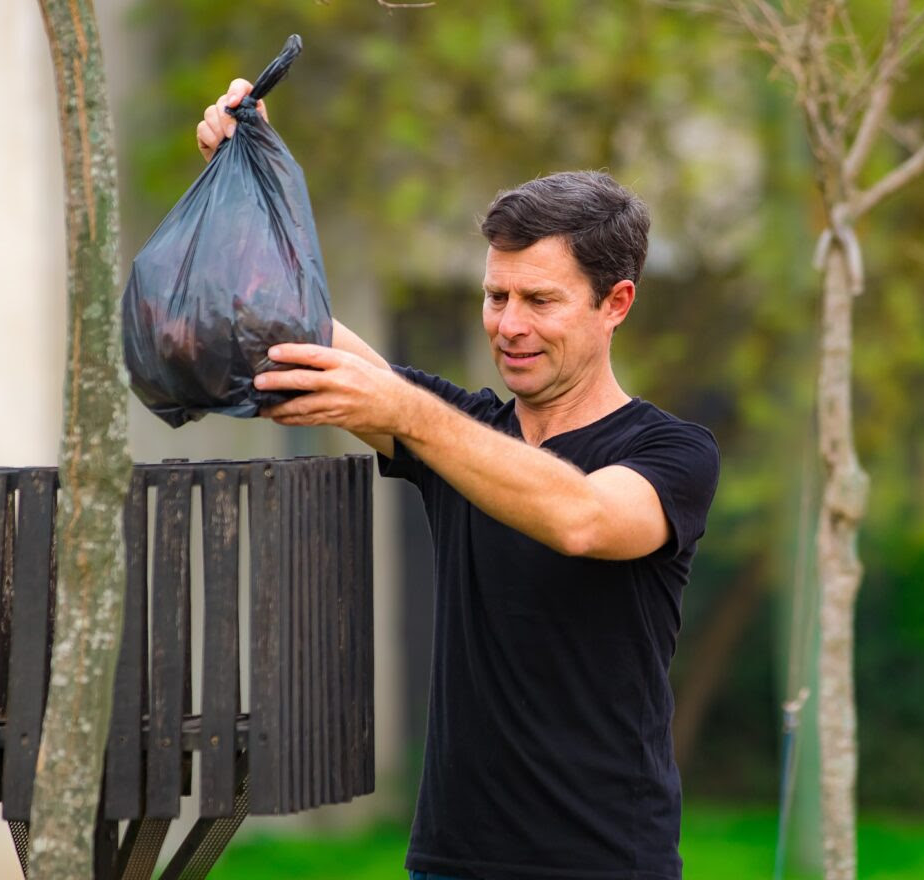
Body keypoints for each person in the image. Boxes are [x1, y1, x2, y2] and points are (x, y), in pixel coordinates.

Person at [198, 81, 721, 880]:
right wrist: (251, 179)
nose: (508, 325)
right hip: (449, 861)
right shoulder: (462, 433)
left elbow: (579, 517)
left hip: (604, 863)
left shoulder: (671, 454)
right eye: (495, 295)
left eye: (539, 300)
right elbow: (301, 330)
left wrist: (410, 411)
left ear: (615, 303)